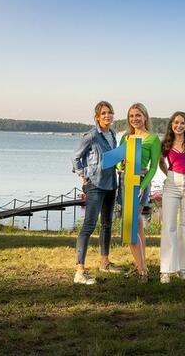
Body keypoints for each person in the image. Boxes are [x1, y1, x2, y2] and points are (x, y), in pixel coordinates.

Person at [71, 101, 121, 285]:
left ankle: (105, 262)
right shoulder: (91, 136)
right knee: (89, 226)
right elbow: (76, 157)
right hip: (95, 186)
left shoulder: (113, 135)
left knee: (107, 224)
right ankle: (80, 271)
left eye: (110, 113)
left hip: (111, 184)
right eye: (104, 113)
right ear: (97, 117)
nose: (107, 116)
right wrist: (84, 176)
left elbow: (112, 158)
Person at [119, 102, 161, 283]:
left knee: (129, 227)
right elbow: (118, 162)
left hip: (141, 182)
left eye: (138, 115)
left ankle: (142, 269)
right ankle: (141, 266)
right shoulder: (126, 138)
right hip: (125, 181)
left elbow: (153, 167)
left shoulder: (153, 139)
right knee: (137, 224)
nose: (134, 119)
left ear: (145, 117)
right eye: (131, 116)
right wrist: (120, 165)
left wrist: (143, 185)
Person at [158, 112, 185, 283]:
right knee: (169, 226)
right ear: (171, 125)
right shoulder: (166, 143)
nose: (179, 126)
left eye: (182, 123)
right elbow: (161, 162)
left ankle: (182, 267)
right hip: (171, 185)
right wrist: (168, 175)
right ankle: (166, 270)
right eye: (176, 123)